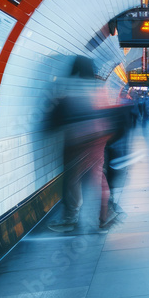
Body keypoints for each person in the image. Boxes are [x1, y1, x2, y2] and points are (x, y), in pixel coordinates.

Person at [48, 56, 107, 232]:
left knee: (72, 180)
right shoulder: (99, 88)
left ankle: (70, 218)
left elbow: (56, 119)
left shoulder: (67, 88)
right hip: (97, 141)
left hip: (77, 142)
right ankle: (105, 216)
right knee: (98, 177)